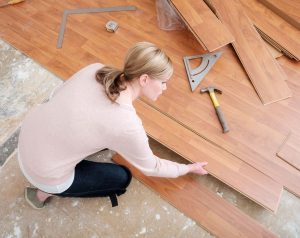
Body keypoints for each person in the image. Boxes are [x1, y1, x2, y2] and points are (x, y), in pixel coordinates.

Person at [18, 42, 208, 209]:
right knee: (122, 178)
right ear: (144, 79)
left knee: (99, 135)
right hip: (44, 174)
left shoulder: (96, 69)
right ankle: (42, 194)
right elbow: (153, 167)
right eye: (164, 82)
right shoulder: (126, 124)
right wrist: (188, 168)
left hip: (27, 139)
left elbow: (56, 96)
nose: (165, 88)